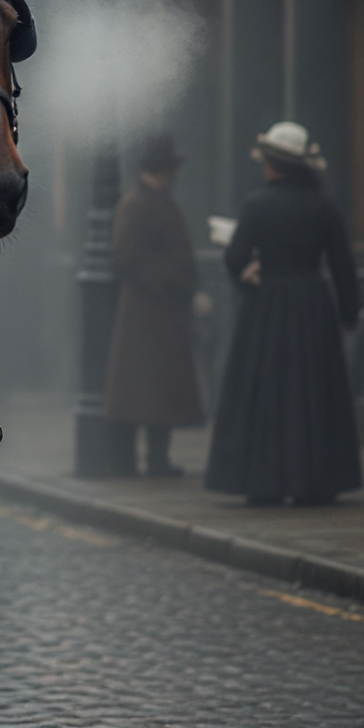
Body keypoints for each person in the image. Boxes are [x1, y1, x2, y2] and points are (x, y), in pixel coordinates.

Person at [205, 119, 362, 506]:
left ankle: (264, 481)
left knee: (268, 396)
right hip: (313, 305)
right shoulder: (324, 205)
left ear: (273, 164)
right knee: (312, 395)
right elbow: (343, 265)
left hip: (268, 307)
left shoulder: (258, 204)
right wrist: (349, 312)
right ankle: (317, 482)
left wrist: (248, 277)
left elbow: (236, 255)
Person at [103, 129, 207, 477]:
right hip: (145, 313)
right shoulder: (136, 203)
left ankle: (156, 460)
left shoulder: (158, 200)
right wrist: (176, 285)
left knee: (160, 393)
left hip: (161, 312)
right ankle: (129, 462)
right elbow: (126, 257)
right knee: (140, 394)